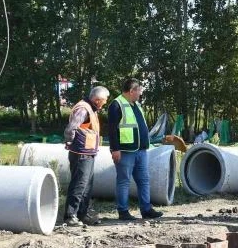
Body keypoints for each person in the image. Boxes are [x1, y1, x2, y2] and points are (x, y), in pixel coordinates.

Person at [107, 77, 163, 221]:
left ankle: (146, 209)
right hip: (125, 151)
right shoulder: (116, 105)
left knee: (144, 180)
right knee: (123, 181)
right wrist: (115, 149)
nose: (140, 93)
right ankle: (123, 211)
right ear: (131, 91)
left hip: (141, 150)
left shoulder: (136, 105)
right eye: (139, 90)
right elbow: (112, 129)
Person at [62, 86, 109, 227]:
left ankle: (83, 214)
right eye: (104, 100)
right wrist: (70, 142)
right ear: (98, 99)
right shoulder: (83, 109)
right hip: (81, 153)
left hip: (87, 152)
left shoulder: (90, 108)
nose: (105, 103)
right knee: (79, 184)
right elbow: (71, 128)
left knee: (87, 185)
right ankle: (70, 216)